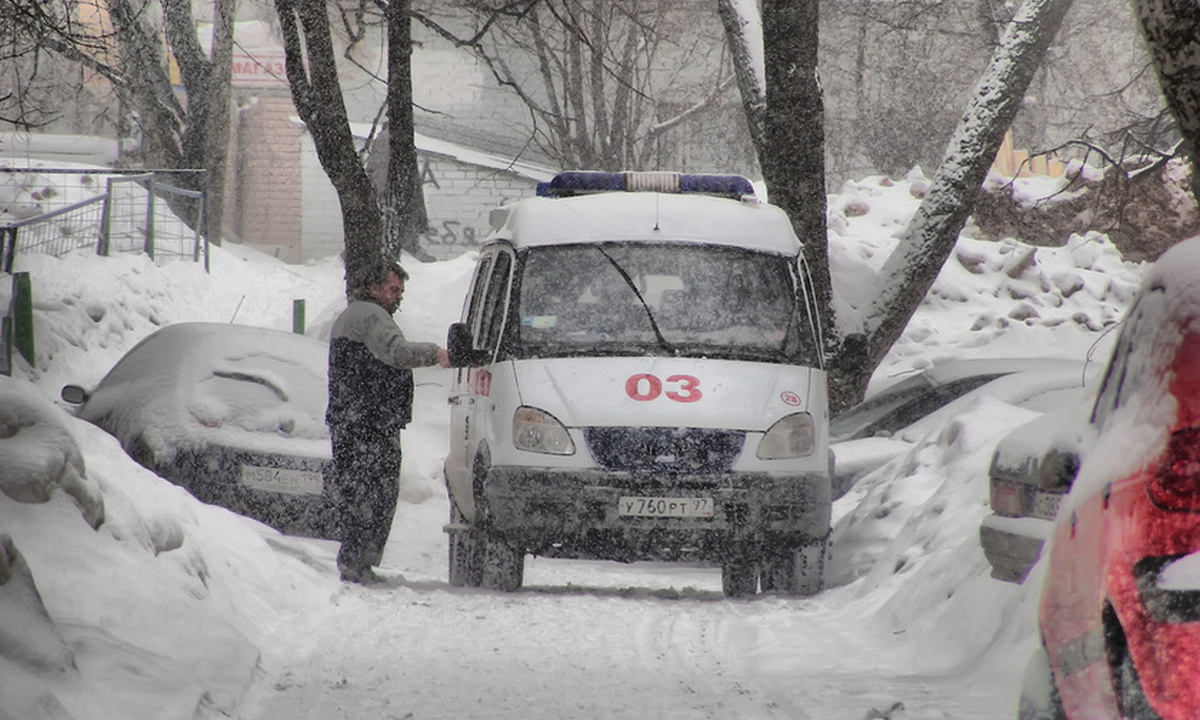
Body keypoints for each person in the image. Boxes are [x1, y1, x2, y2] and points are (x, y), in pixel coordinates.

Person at [326, 261, 451, 584]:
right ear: (373, 287)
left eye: (401, 291)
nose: (398, 297)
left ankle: (357, 562)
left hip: (357, 420)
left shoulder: (355, 315)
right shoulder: (371, 316)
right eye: (394, 289)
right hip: (367, 424)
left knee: (359, 493)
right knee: (372, 494)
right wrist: (435, 353)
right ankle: (357, 563)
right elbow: (396, 352)